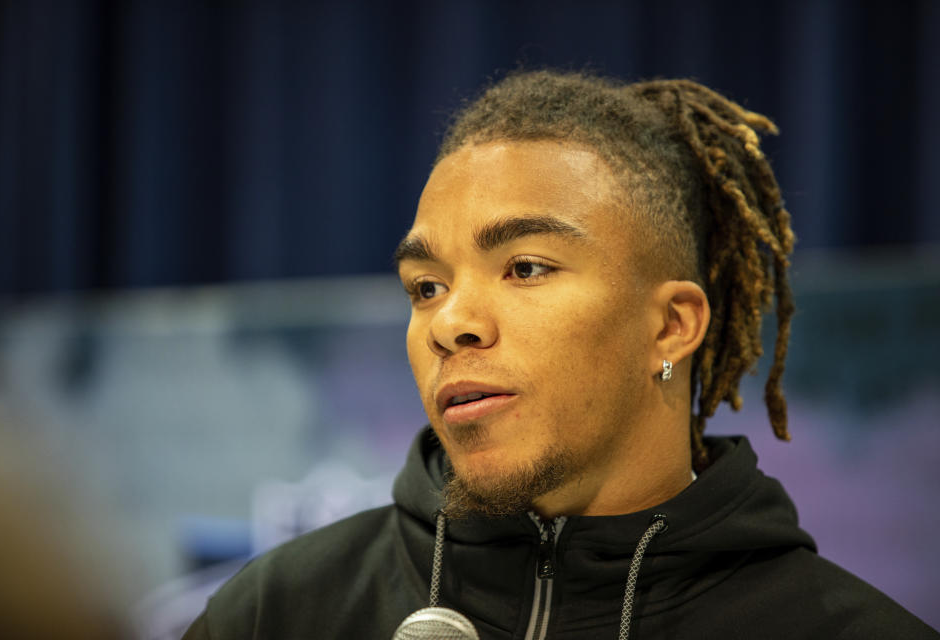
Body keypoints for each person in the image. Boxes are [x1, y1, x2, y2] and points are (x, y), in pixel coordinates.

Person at [182, 70, 938, 639]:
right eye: (426, 287)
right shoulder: (276, 612)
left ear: (671, 327)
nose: (452, 322)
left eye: (525, 268)